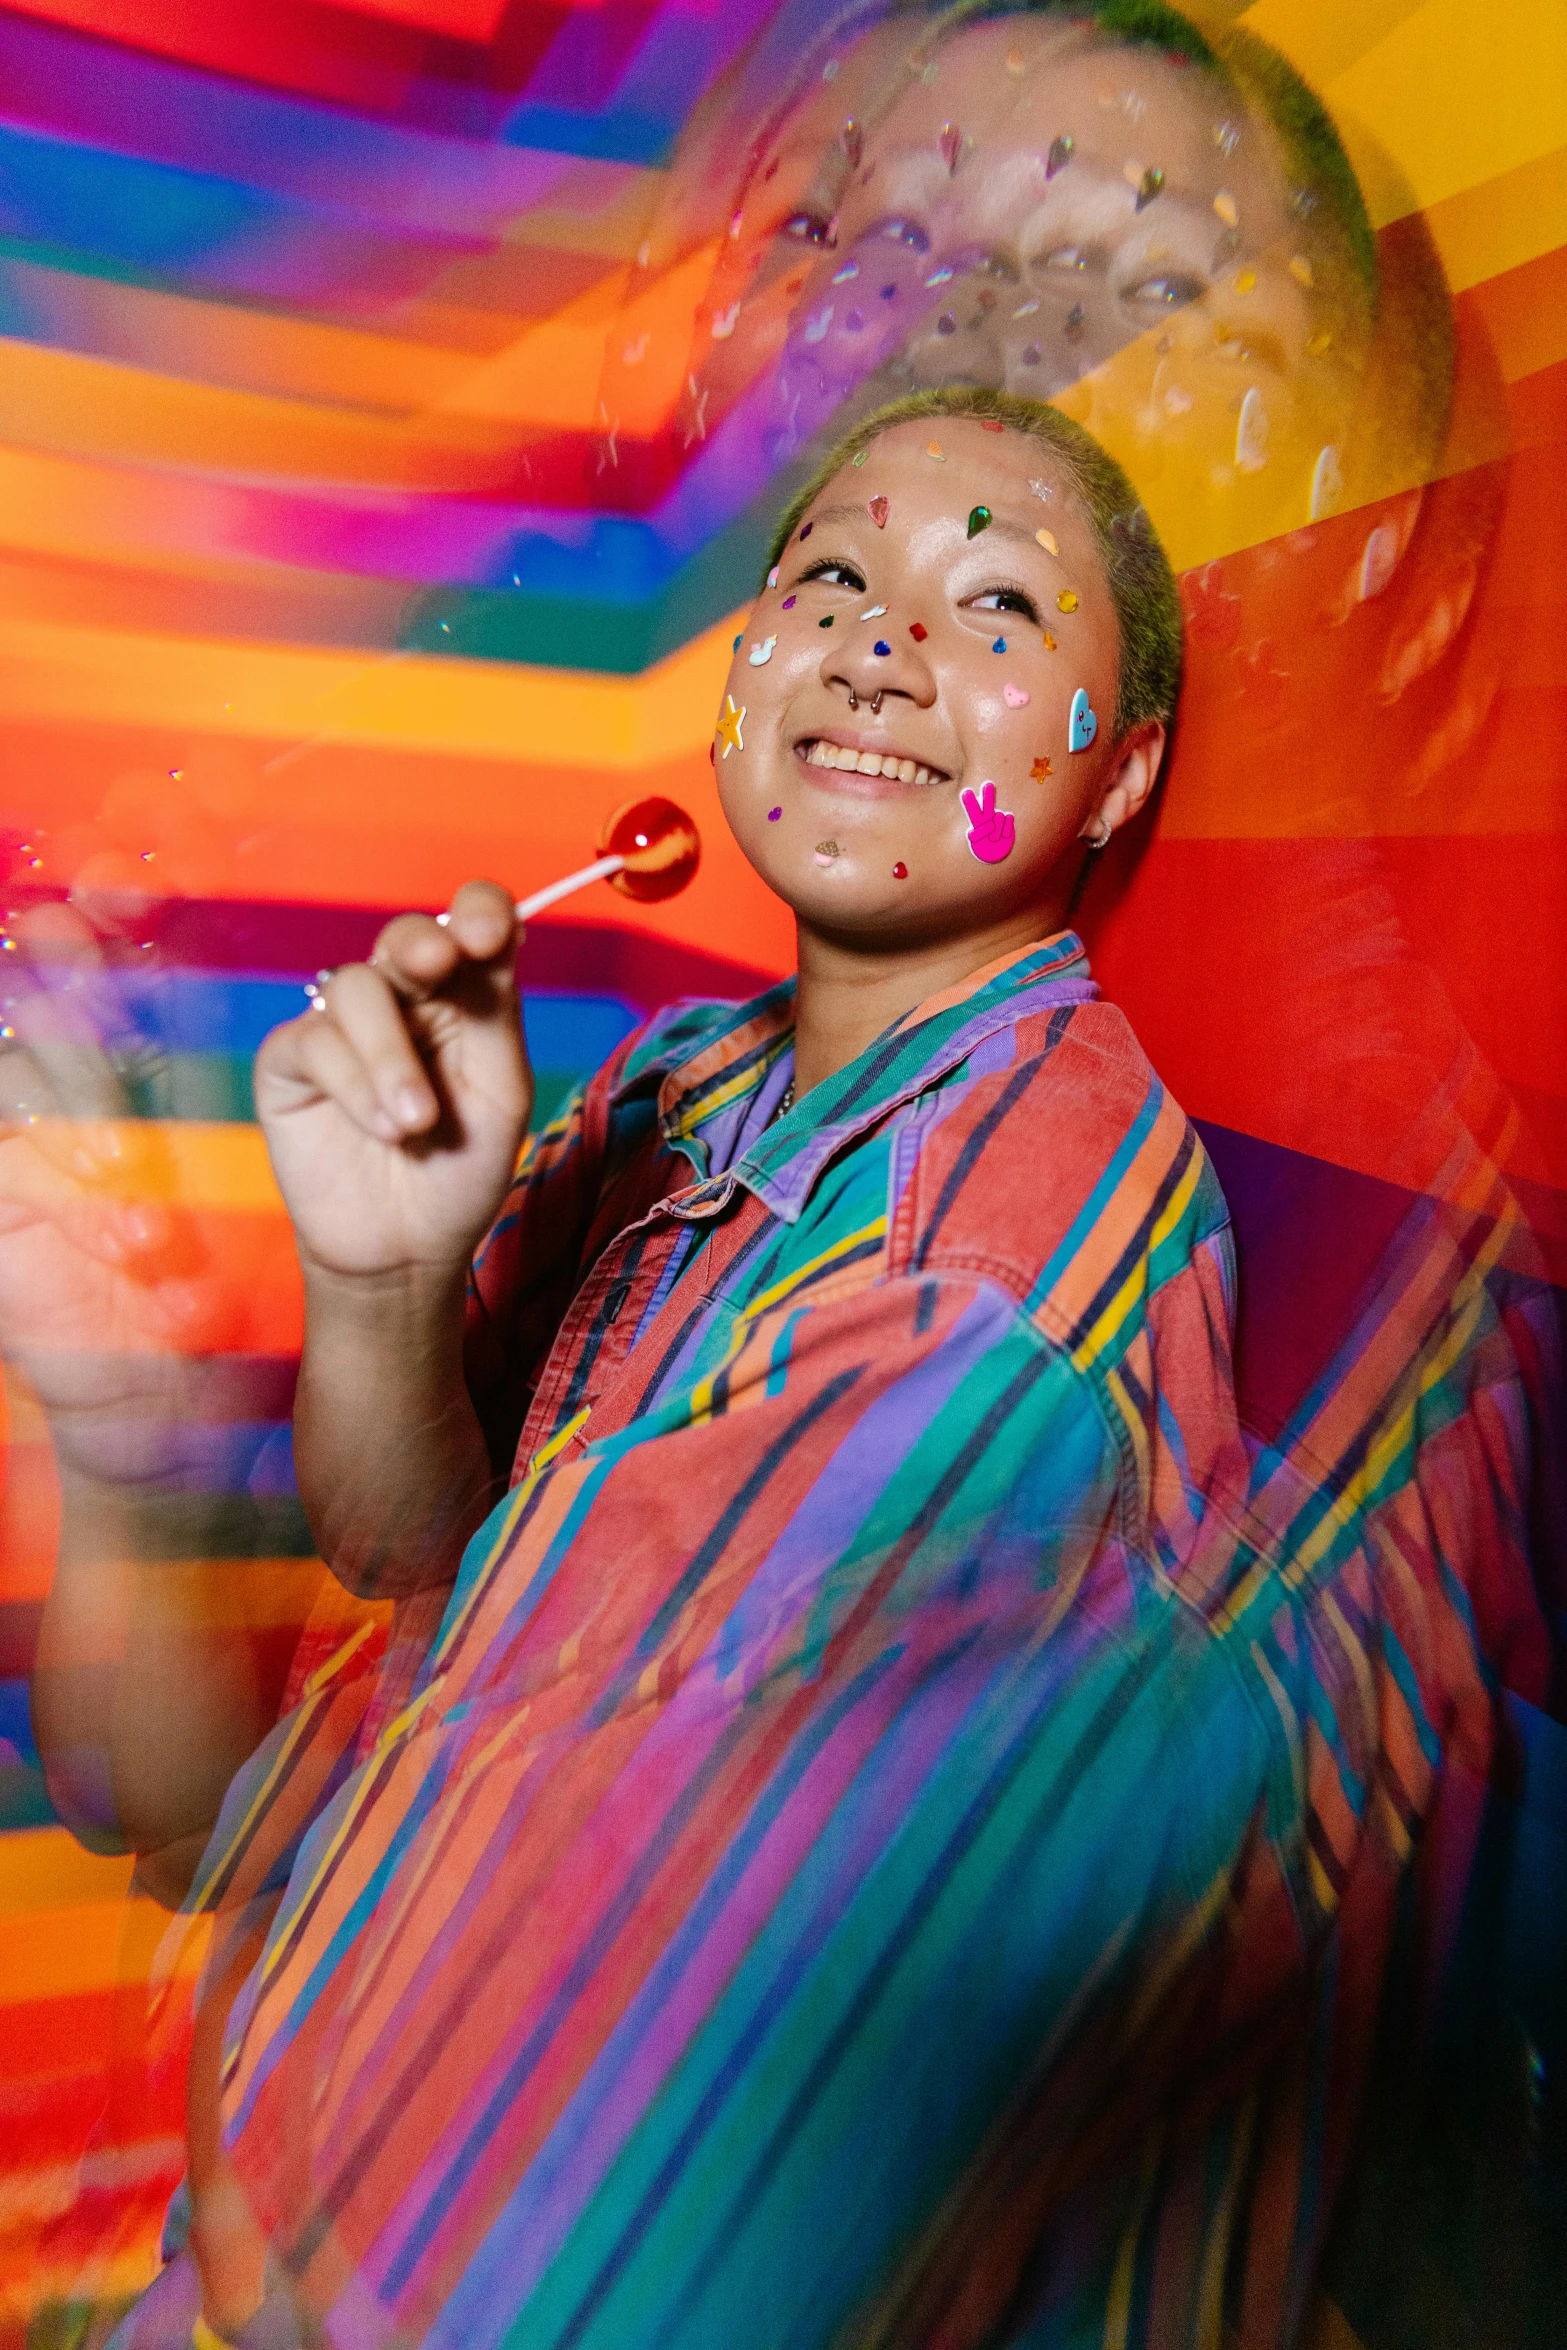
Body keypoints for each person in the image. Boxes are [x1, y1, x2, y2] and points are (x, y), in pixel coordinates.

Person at [97, 387, 1543, 2350]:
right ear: (740, 676)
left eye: (999, 607)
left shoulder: (1005, 1271)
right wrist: (384, 1271)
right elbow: (418, 1555)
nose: (881, 639)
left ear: (1120, 774)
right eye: (836, 576)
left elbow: (598, 2100)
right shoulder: (670, 1083)